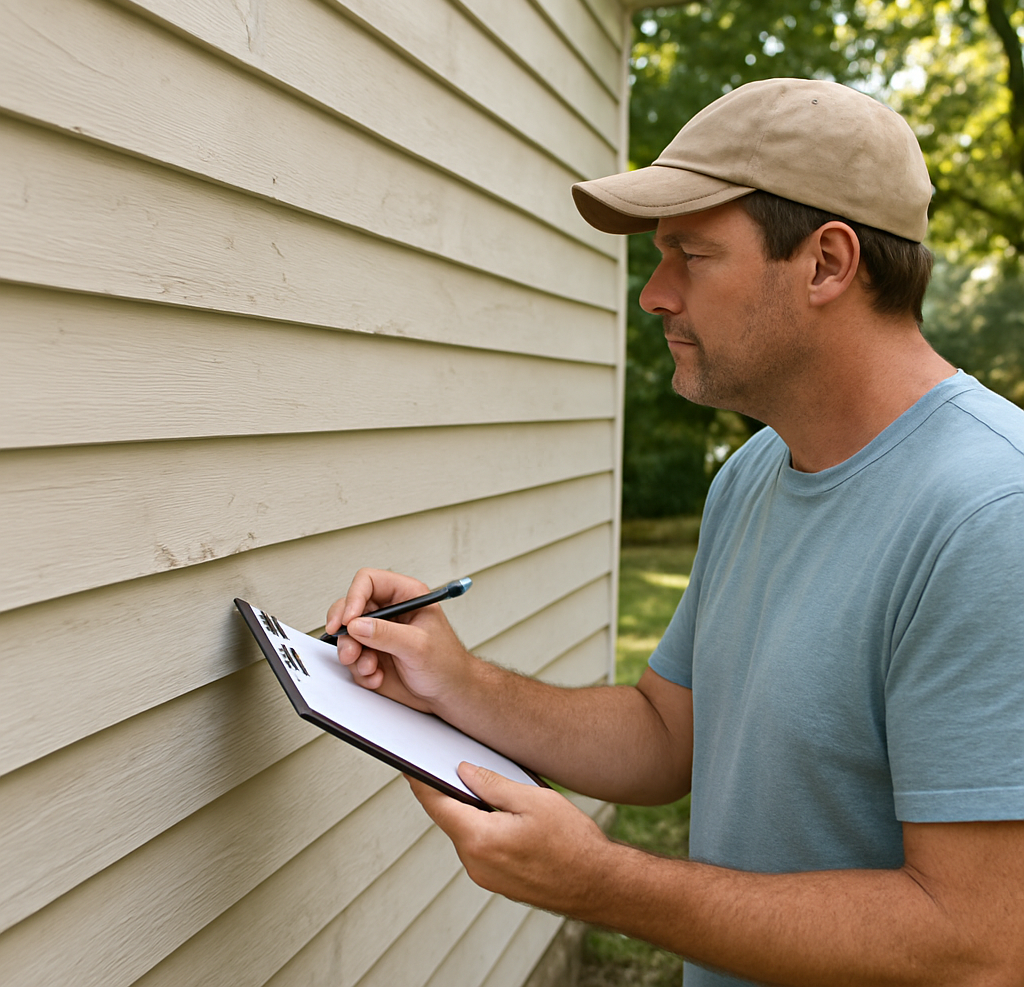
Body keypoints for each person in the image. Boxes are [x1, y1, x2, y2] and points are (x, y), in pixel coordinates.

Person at [325, 79, 1024, 986]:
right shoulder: (753, 475)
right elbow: (668, 734)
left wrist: (603, 883)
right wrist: (459, 685)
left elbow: (976, 942)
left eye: (691, 255)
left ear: (826, 263)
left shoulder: (990, 516)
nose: (655, 295)